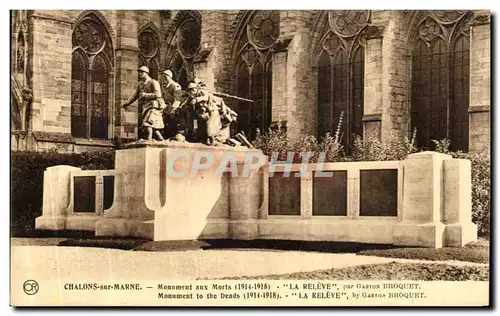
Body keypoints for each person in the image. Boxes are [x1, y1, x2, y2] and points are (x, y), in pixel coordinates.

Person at [121, 66, 165, 141]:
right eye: (139, 72)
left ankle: (149, 141)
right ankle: (162, 140)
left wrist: (145, 95)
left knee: (147, 123)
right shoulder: (140, 84)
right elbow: (134, 96)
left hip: (153, 107)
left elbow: (158, 95)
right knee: (153, 126)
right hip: (145, 107)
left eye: (141, 72)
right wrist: (126, 103)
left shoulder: (153, 82)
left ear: (146, 73)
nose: (140, 74)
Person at [160, 70, 185, 141]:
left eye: (165, 77)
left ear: (170, 77)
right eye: (163, 77)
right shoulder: (163, 86)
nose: (164, 78)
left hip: (175, 107)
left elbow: (177, 99)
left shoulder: (175, 86)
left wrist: (173, 109)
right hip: (166, 107)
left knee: (176, 122)